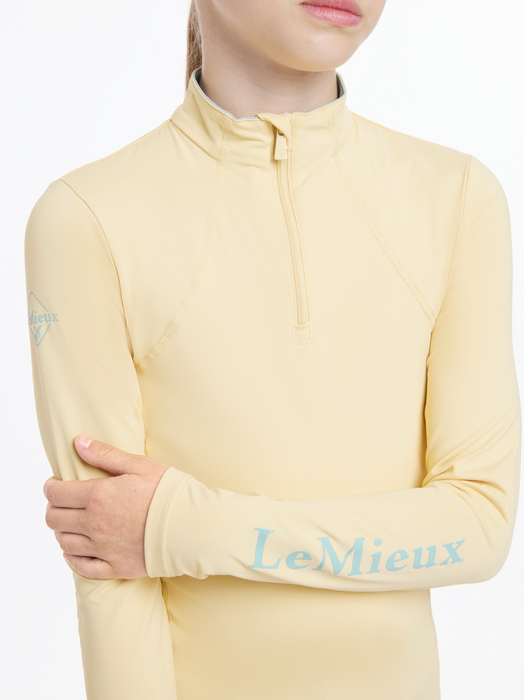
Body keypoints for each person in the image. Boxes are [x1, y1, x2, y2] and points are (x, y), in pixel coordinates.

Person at [25, 1, 521, 698]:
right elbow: (110, 576)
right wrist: (157, 530)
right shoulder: (88, 218)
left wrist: (183, 526)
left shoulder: (457, 198)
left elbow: (479, 527)